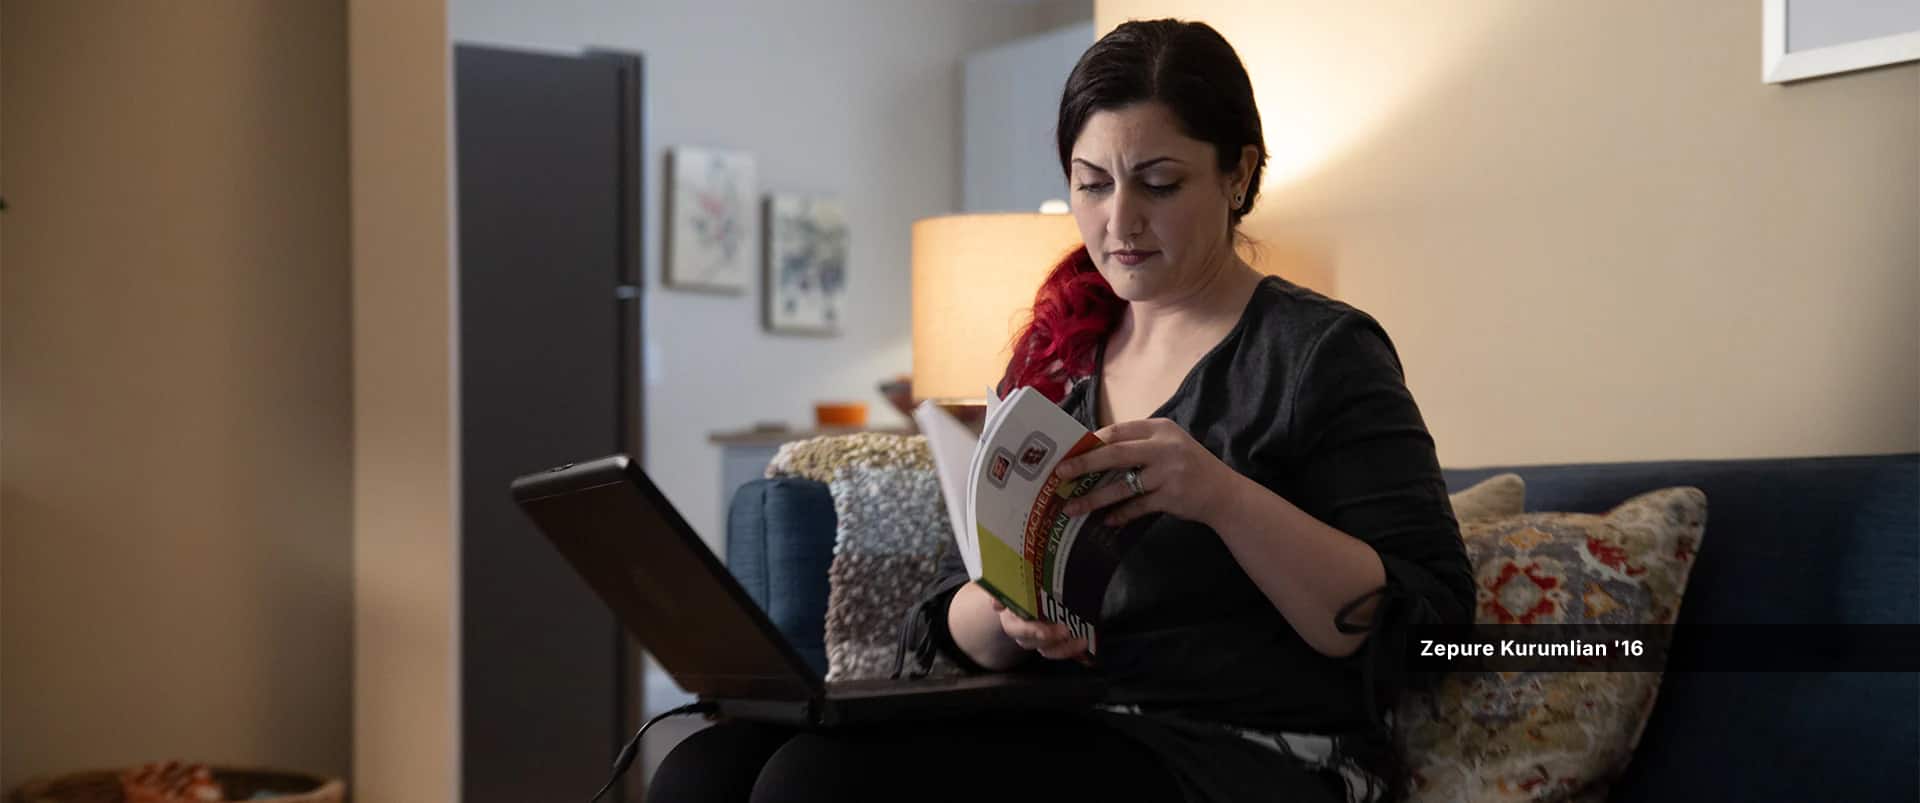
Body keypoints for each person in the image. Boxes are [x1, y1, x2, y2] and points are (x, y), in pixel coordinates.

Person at [651, 19, 1472, 803]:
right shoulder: (1058, 349)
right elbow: (950, 612)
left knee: (816, 785)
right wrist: (1009, 613)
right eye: (1092, 184)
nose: (1119, 222)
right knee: (706, 767)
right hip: (1062, 720)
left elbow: (1427, 627)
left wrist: (1221, 495)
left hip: (1249, 749)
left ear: (1240, 173)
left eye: (1159, 183)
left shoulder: (1319, 353)